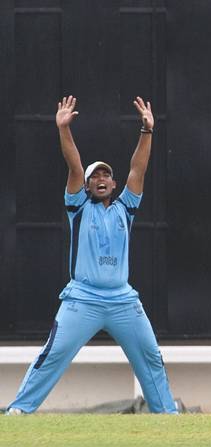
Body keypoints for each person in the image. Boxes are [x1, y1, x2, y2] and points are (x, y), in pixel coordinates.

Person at [7, 96, 177, 415]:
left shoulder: (126, 209)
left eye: (105, 176)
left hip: (122, 300)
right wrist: (64, 129)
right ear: (85, 186)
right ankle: (18, 412)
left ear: (113, 184)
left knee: (150, 356)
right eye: (94, 177)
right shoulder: (79, 208)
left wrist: (147, 130)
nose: (100, 180)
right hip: (82, 299)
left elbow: (138, 168)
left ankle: (167, 415)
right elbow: (74, 163)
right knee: (54, 354)